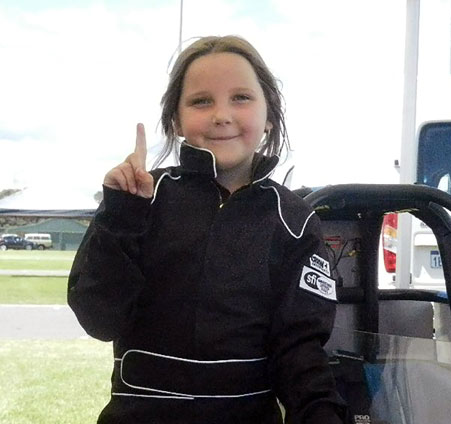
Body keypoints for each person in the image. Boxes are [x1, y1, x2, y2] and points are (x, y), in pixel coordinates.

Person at [68, 35, 346, 424]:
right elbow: (99, 319)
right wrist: (121, 216)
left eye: (241, 98)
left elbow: (300, 352)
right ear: (175, 119)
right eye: (201, 101)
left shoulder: (295, 222)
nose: (221, 115)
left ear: (269, 116)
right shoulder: (139, 199)